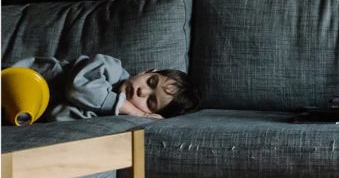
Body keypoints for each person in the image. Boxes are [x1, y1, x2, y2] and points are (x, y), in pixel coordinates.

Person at [9, 54, 199, 121]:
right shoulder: (110, 68)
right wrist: (127, 108)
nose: (142, 91)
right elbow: (77, 89)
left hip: (21, 109)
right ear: (148, 71)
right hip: (24, 77)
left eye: (150, 101)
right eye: (151, 82)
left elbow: (58, 115)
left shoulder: (108, 115)